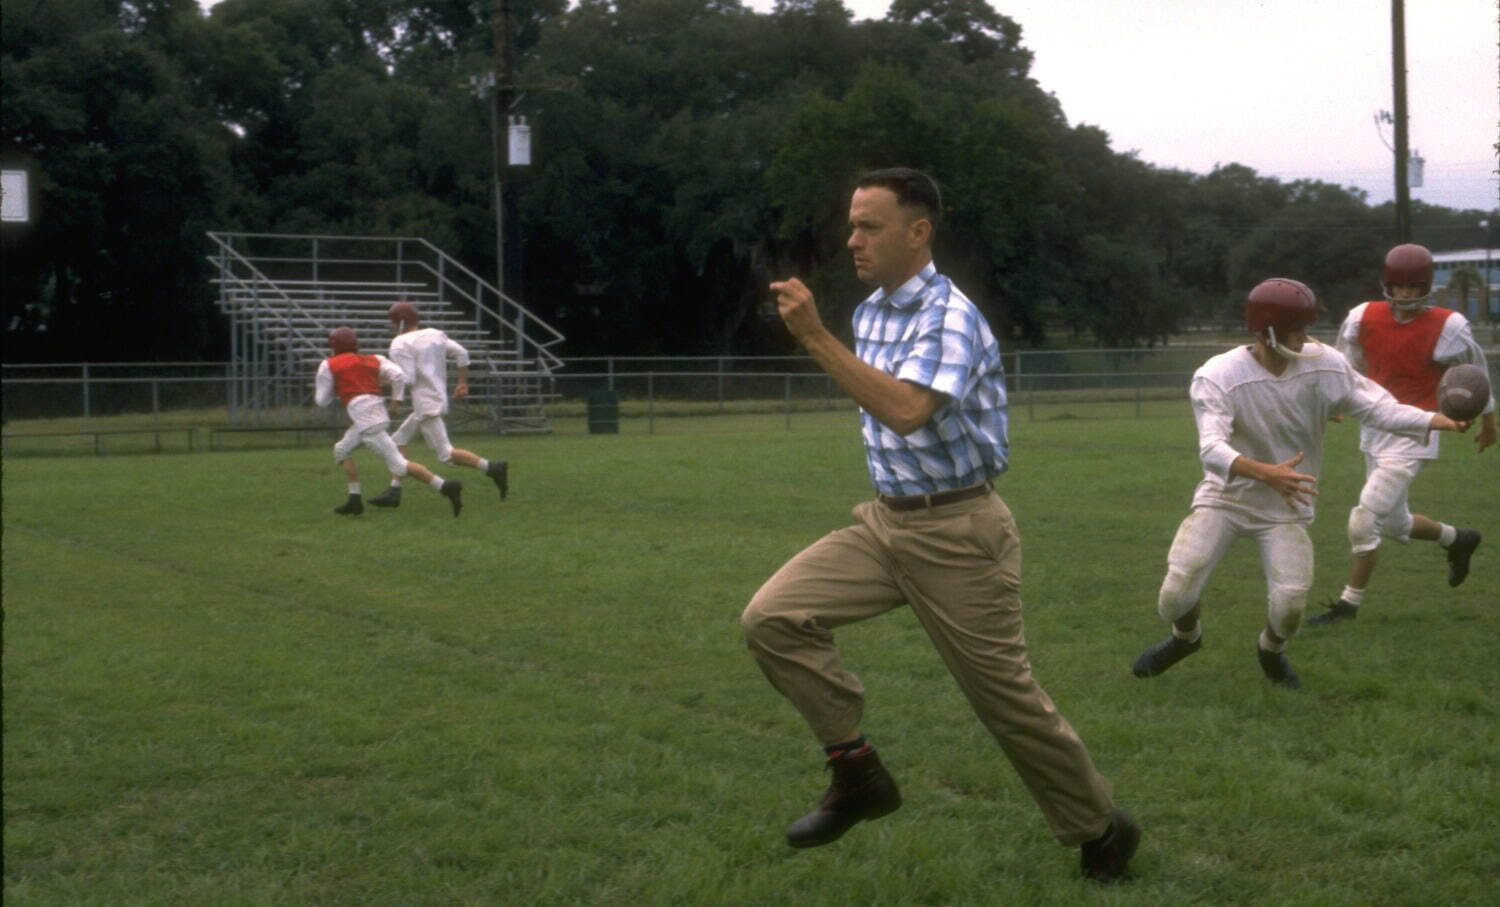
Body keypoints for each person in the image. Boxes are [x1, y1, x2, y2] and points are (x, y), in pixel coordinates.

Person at [739, 168, 1140, 883]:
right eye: (852, 223)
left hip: (960, 532)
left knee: (1006, 703)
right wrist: (834, 338)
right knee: (772, 617)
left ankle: (1102, 828)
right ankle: (857, 772)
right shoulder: (872, 313)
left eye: (869, 225)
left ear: (918, 232)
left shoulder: (950, 316)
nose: (852, 238)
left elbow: (906, 410)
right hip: (885, 523)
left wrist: (814, 338)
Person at [1130, 278, 1470, 689]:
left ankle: (1270, 652)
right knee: (1175, 594)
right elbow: (1211, 450)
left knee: (1290, 604)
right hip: (1226, 499)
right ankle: (1186, 639)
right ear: (1267, 330)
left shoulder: (1323, 364)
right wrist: (1266, 472)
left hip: (1285, 506)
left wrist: (1437, 420)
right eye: (1298, 328)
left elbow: (1380, 408)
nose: (1307, 337)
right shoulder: (1218, 375)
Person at [1309, 244, 1495, 625]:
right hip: (1376, 425)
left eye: (1414, 286)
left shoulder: (1449, 324)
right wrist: (1335, 403)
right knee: (1394, 523)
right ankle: (1458, 540)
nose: (1406, 294)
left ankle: (1348, 605)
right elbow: (1346, 367)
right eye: (1400, 286)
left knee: (1364, 519)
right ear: (1387, 284)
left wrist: (1489, 421)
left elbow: (1475, 373)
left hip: (1418, 429)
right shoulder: (1363, 316)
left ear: (1426, 285)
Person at [367, 301, 509, 509]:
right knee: (398, 441)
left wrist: (382, 380)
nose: (391, 325)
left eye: (393, 321)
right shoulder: (434, 334)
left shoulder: (399, 343)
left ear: (401, 321)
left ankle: (492, 467)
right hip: (435, 397)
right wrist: (462, 383)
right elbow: (462, 354)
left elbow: (408, 378)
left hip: (425, 403)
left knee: (445, 454)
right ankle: (394, 491)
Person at [315, 326, 464, 517]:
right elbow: (399, 376)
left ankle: (446, 487)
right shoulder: (375, 358)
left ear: (333, 345)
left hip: (365, 418)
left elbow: (322, 401)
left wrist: (339, 386)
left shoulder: (329, 364)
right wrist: (396, 401)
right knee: (342, 449)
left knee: (399, 465)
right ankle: (354, 500)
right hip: (377, 410)